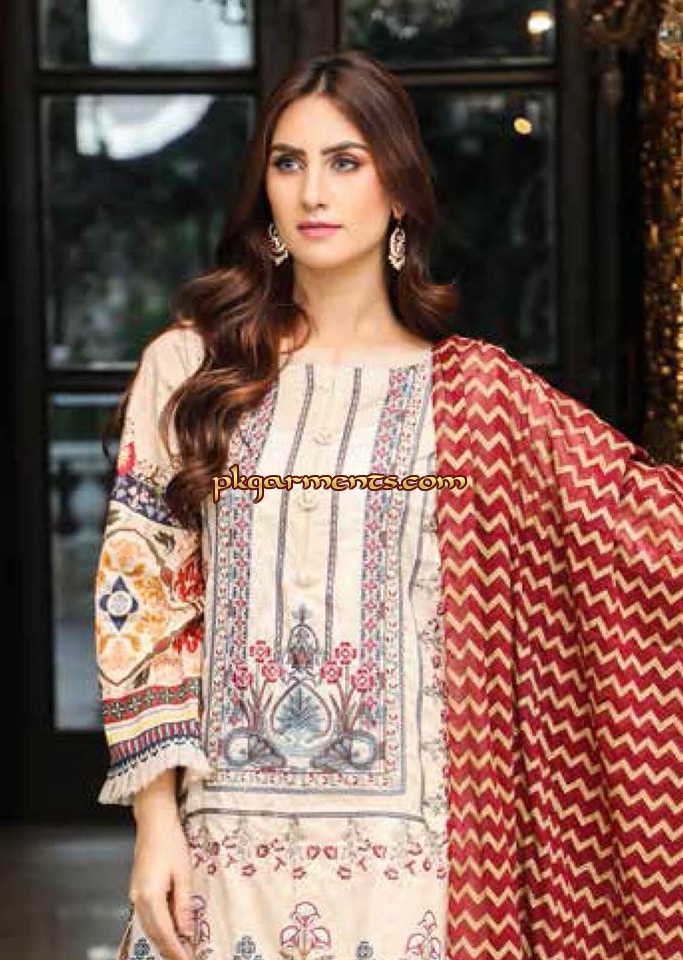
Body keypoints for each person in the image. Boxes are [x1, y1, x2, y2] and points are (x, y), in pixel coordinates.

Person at [94, 49, 683, 960]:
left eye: (345, 161)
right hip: (219, 859)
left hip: (414, 873)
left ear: (399, 187)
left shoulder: (476, 395)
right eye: (288, 162)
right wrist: (153, 823)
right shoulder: (192, 370)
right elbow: (141, 603)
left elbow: (650, 537)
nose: (312, 191)